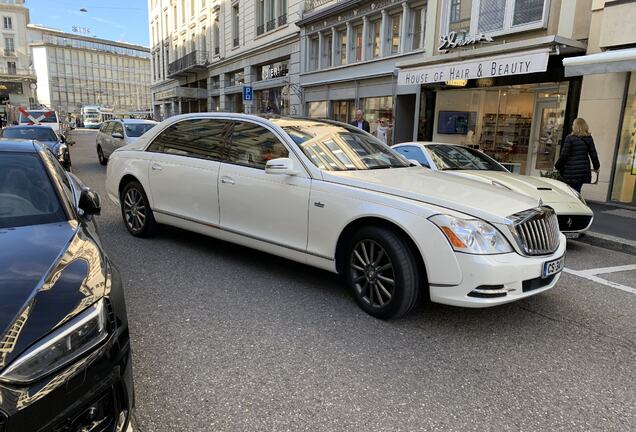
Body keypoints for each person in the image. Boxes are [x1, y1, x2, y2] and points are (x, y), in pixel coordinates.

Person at [555, 118, 600, 193]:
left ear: (575, 127)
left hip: (571, 171)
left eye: (573, 125)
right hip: (583, 171)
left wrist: (557, 166)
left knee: (568, 192)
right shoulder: (589, 138)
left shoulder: (569, 138)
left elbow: (564, 155)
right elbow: (593, 154)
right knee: (576, 191)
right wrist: (596, 166)